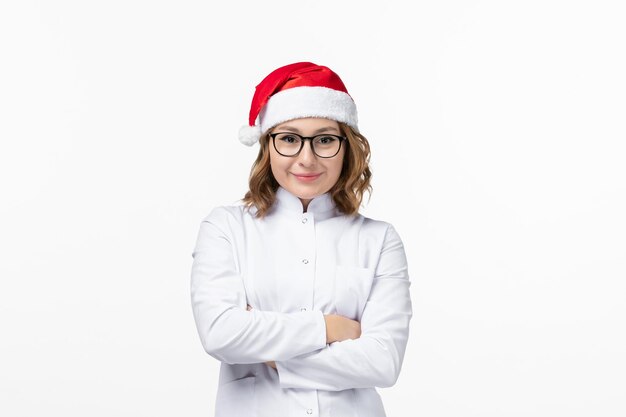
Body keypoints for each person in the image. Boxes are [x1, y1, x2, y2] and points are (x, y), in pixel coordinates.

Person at [190, 62, 413, 417]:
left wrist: (272, 353)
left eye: (325, 139)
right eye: (290, 139)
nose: (306, 159)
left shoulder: (379, 239)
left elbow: (383, 362)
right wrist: (330, 328)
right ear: (268, 146)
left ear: (346, 148)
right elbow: (220, 333)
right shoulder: (227, 227)